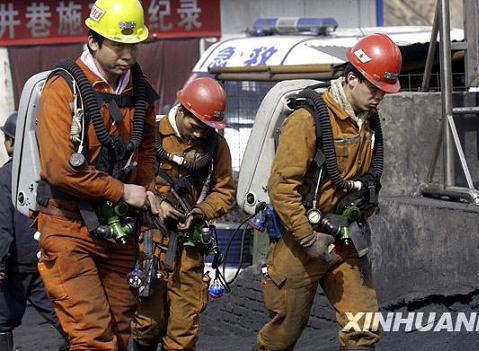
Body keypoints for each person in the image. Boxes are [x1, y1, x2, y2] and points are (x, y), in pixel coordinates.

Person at [256, 33, 402, 350]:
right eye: (375, 87)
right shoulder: (308, 119)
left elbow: (367, 176)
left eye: (385, 90)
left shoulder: (367, 121)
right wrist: (308, 238)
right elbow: (281, 189)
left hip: (345, 241)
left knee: (362, 330)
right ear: (352, 78)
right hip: (301, 241)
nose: (380, 96)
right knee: (282, 337)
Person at [35, 0, 160, 349]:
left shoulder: (140, 92)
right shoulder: (65, 88)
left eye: (133, 46)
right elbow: (58, 170)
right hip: (68, 227)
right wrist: (122, 191)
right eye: (118, 46)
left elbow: (147, 152)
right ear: (93, 41)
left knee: (120, 334)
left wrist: (145, 191)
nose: (128, 55)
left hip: (118, 230)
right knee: (92, 338)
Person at [131, 77, 236, 351]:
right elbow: (127, 182)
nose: (201, 133)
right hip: (148, 244)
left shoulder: (215, 146)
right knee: (146, 324)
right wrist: (152, 202)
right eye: (196, 125)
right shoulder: (150, 136)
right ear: (182, 110)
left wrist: (200, 212)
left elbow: (225, 191)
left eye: (207, 128)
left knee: (183, 331)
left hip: (188, 248)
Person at [0, 112, 69, 351]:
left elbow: (3, 224)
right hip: (46, 257)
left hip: (14, 265)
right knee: (63, 316)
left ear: (11, 143)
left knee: (2, 322)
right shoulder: (50, 172)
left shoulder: (5, 176)